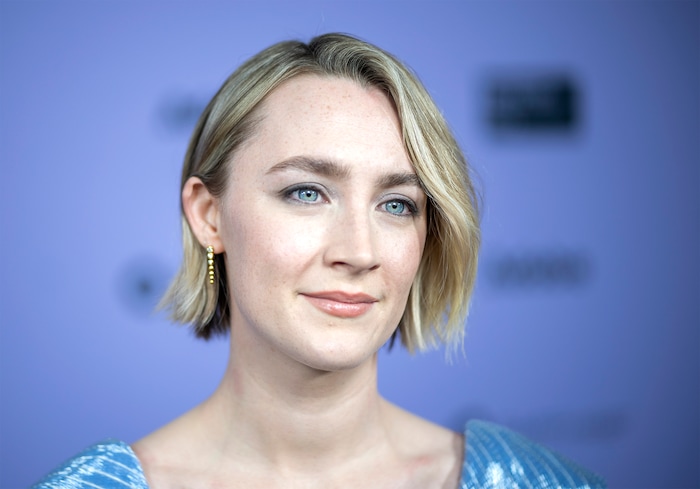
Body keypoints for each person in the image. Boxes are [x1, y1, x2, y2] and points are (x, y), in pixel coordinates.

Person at [34, 33, 605, 488]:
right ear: (209, 216)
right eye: (306, 192)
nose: (358, 252)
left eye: (397, 204)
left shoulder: (533, 482)